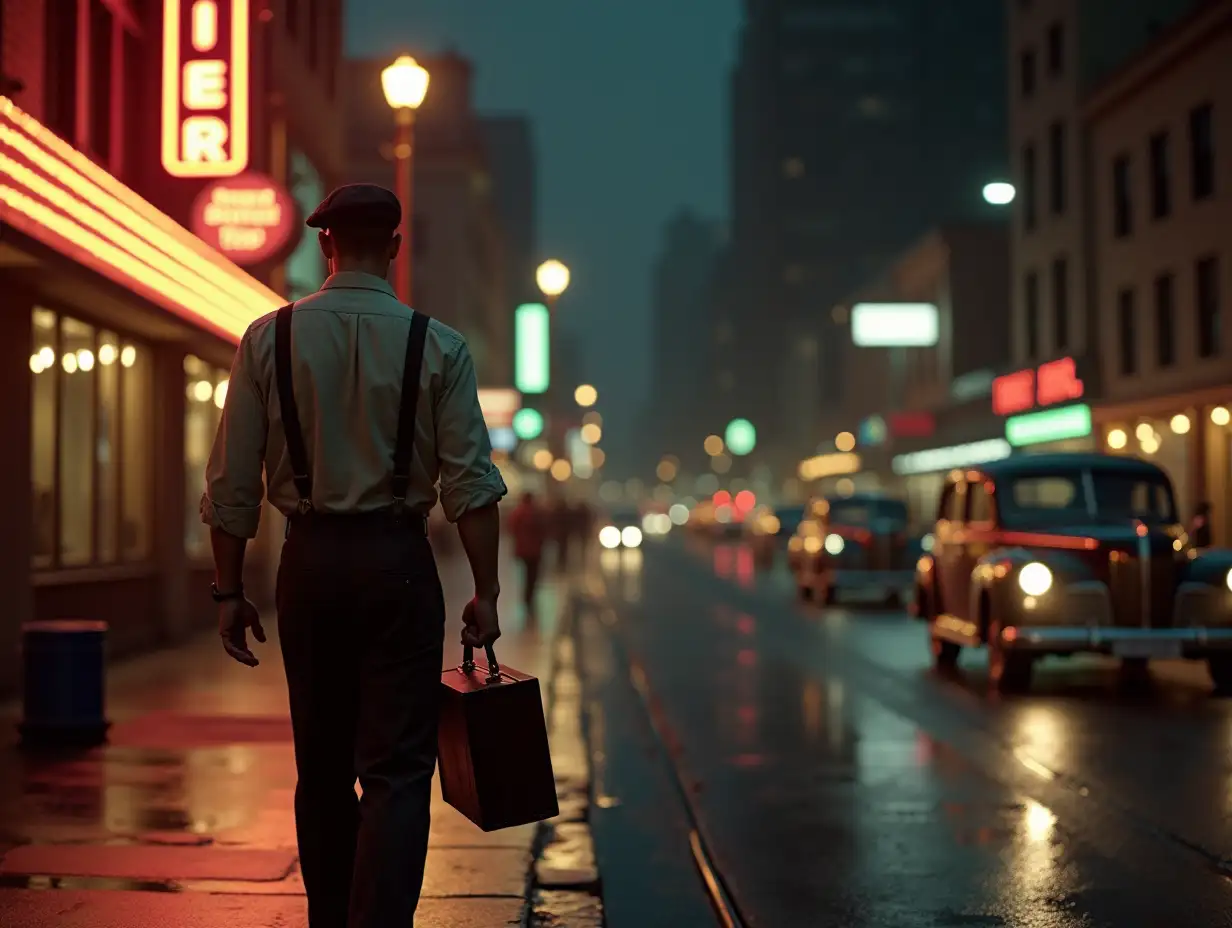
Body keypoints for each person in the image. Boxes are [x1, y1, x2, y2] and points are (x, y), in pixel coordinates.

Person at [200, 183, 507, 928]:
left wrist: (228, 590)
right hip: (398, 564)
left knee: (324, 770)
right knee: (398, 771)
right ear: (395, 250)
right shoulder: (438, 345)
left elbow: (231, 481)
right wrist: (487, 592)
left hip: (308, 566)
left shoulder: (267, 338)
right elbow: (471, 485)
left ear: (325, 245)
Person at [506, 492, 547, 607]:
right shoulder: (536, 513)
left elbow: (511, 528)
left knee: (526, 573)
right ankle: (529, 596)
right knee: (532, 575)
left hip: (522, 549)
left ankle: (526, 596)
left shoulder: (517, 512)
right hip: (535, 550)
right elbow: (543, 530)